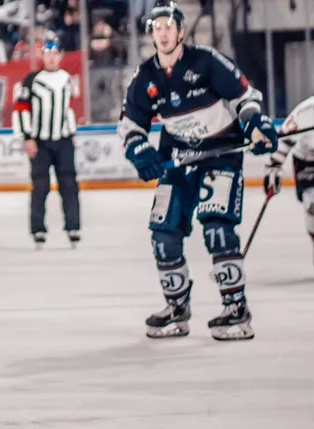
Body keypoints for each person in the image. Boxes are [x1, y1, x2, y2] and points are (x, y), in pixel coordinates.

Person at [117, 1, 276, 341]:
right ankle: (177, 309)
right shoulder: (145, 76)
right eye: (156, 27)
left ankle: (236, 309)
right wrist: (139, 151)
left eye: (168, 26)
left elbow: (245, 98)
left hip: (221, 155)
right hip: (178, 158)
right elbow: (131, 123)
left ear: (181, 31)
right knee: (163, 233)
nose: (162, 33)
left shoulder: (206, 61)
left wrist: (255, 127)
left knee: (217, 229)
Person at [12, 37, 81, 249]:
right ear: (42, 56)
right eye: (47, 53)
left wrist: (72, 133)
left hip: (63, 140)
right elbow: (21, 109)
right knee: (40, 186)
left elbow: (68, 109)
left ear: (60, 56)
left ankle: (73, 227)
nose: (51, 57)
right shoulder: (32, 79)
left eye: (55, 53)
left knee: (69, 184)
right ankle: (38, 230)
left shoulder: (66, 79)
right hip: (40, 142)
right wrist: (27, 138)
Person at [264, 96, 314, 265]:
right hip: (308, 162)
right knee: (312, 202)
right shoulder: (306, 111)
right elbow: (284, 139)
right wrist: (274, 167)